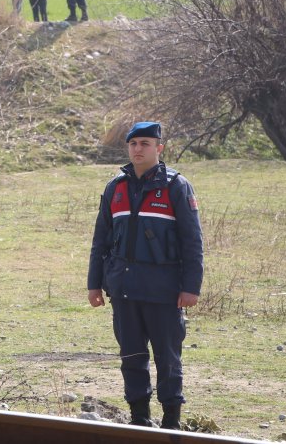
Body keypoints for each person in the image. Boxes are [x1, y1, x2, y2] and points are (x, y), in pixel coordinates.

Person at [87, 122, 204, 429]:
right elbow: (101, 240)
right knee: (132, 357)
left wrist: (191, 287)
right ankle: (140, 420)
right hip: (123, 290)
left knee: (167, 359)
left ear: (159, 149)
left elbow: (193, 242)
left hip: (163, 291)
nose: (138, 149)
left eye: (145, 144)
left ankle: (171, 422)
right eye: (134, 143)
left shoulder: (176, 186)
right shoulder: (116, 188)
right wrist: (94, 284)